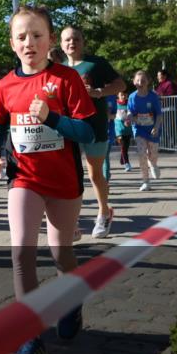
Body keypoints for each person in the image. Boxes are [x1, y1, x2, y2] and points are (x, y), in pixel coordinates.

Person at [0, 5, 96, 354]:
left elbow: (87, 132)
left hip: (63, 183)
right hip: (24, 179)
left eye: (36, 35)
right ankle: (30, 340)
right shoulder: (5, 86)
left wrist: (53, 118)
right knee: (21, 254)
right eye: (21, 36)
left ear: (50, 40)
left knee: (60, 254)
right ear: (12, 44)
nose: (29, 42)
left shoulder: (67, 80)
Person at [60, 26, 125, 239]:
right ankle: (72, 220)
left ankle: (104, 213)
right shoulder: (57, 69)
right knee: (70, 175)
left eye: (76, 39)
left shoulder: (96, 63)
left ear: (83, 42)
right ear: (61, 44)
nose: (72, 43)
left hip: (94, 126)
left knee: (95, 174)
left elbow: (120, 84)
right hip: (69, 128)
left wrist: (98, 92)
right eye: (68, 39)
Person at [128, 70, 162, 191]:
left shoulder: (153, 96)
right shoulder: (132, 97)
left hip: (152, 129)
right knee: (141, 154)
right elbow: (130, 112)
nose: (140, 83)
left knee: (153, 154)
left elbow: (159, 114)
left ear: (148, 82)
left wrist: (156, 127)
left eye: (143, 80)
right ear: (134, 82)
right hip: (139, 129)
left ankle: (153, 164)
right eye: (137, 80)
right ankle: (146, 181)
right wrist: (129, 118)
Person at [114, 88, 133, 172]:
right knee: (123, 147)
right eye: (121, 94)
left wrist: (129, 119)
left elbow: (132, 114)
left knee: (126, 147)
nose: (123, 96)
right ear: (118, 95)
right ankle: (127, 164)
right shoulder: (115, 104)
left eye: (125, 95)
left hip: (127, 130)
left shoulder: (129, 104)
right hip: (118, 129)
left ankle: (123, 160)